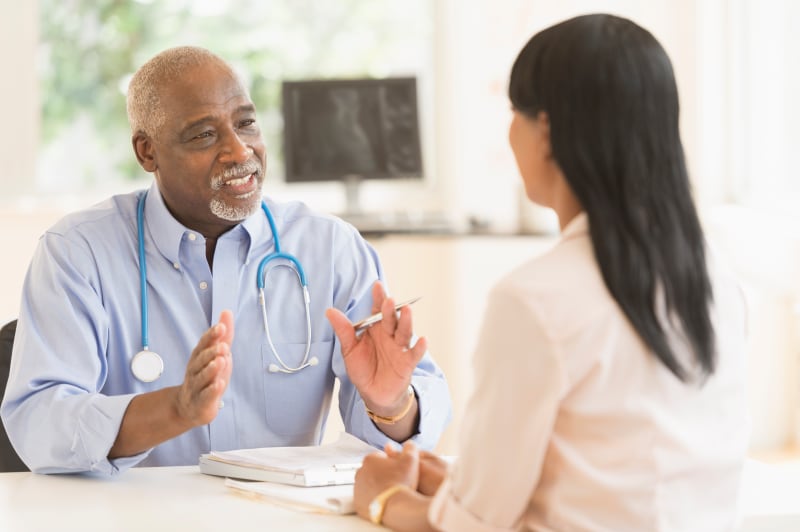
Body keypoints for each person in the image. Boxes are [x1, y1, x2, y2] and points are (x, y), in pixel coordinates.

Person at [352, 13, 749, 531]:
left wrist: (383, 499)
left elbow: (474, 525)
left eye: (515, 111)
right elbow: (620, 477)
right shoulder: (717, 279)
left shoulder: (534, 300)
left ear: (546, 130)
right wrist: (456, 482)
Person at [0, 46, 451, 475]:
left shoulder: (331, 248)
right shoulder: (79, 252)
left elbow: (410, 424)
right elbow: (38, 421)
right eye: (204, 135)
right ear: (147, 152)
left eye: (247, 123)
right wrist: (173, 410)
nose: (239, 152)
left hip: (280, 518)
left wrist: (392, 404)